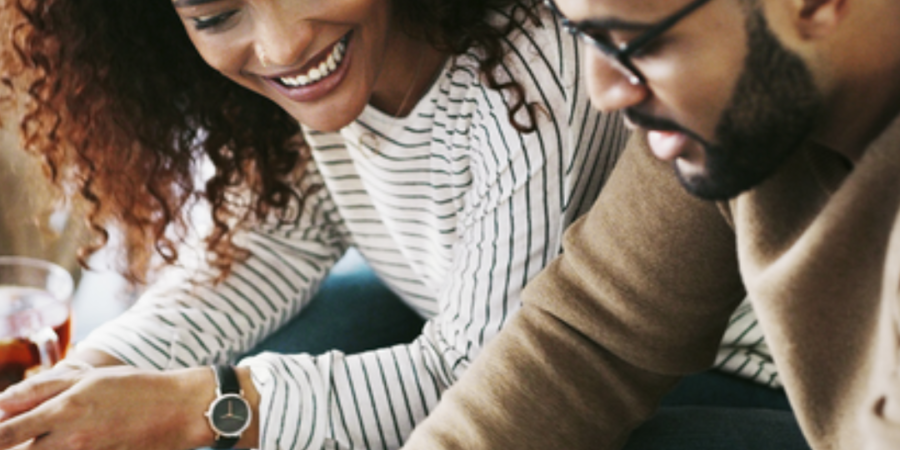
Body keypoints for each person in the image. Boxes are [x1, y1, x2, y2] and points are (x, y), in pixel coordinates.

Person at [0, 0, 635, 448]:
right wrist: (76, 380)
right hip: (444, 321)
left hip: (662, 379)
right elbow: (261, 253)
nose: (281, 46)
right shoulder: (305, 89)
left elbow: (488, 391)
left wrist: (202, 407)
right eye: (217, 16)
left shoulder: (531, 82)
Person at [401, 0, 900, 449]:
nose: (602, 93)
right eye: (587, 36)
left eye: (637, 43)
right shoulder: (730, 111)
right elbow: (590, 338)